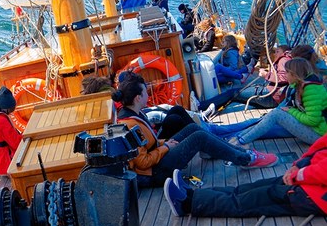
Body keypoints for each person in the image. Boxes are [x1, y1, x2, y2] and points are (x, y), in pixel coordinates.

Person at [113, 72, 278, 187]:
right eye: (145, 93)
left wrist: (164, 143)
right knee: (199, 137)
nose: (148, 96)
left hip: (158, 159)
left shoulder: (134, 114)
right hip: (156, 173)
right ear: (138, 98)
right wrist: (166, 147)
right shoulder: (130, 125)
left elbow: (148, 144)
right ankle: (246, 159)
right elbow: (142, 163)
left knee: (192, 128)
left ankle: (237, 151)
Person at [165, 131, 327, 217]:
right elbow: (320, 146)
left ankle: (187, 205)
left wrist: (298, 174)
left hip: (314, 195)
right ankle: (192, 195)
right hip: (308, 177)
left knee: (250, 200)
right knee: (250, 187)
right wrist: (298, 165)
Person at [229, 57, 327, 147]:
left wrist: (290, 111)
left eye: (286, 73)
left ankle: (240, 141)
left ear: (294, 74)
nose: (285, 76)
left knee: (276, 114)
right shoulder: (301, 85)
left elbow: (313, 120)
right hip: (316, 130)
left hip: (319, 135)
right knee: (274, 113)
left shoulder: (311, 90)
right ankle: (239, 138)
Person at [235, 44, 292, 108]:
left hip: (272, 97)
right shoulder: (290, 59)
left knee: (236, 93)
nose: (275, 54)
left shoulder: (283, 60)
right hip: (276, 96)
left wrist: (266, 74)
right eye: (275, 52)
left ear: (285, 52)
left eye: (277, 51)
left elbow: (284, 78)